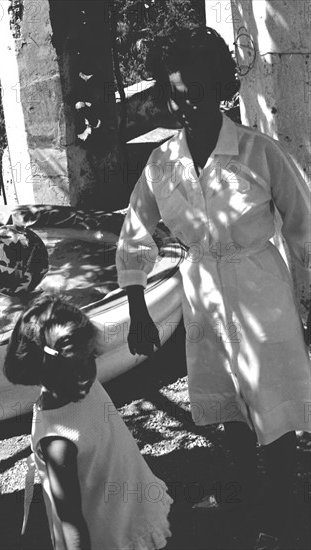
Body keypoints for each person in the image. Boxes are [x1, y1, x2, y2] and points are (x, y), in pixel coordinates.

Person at [116, 26, 310, 550]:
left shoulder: (258, 153)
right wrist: (137, 305)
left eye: (196, 93)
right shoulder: (162, 164)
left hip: (260, 291)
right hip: (201, 291)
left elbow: (303, 226)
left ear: (221, 87)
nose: (185, 107)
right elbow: (135, 233)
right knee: (225, 406)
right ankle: (245, 500)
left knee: (276, 406)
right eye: (175, 96)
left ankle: (282, 515)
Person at [3, 295, 173, 550]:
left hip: (122, 520)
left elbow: (72, 520)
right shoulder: (59, 438)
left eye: (89, 359)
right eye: (77, 364)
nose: (87, 373)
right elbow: (71, 519)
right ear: (45, 369)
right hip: (121, 522)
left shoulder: (78, 391)